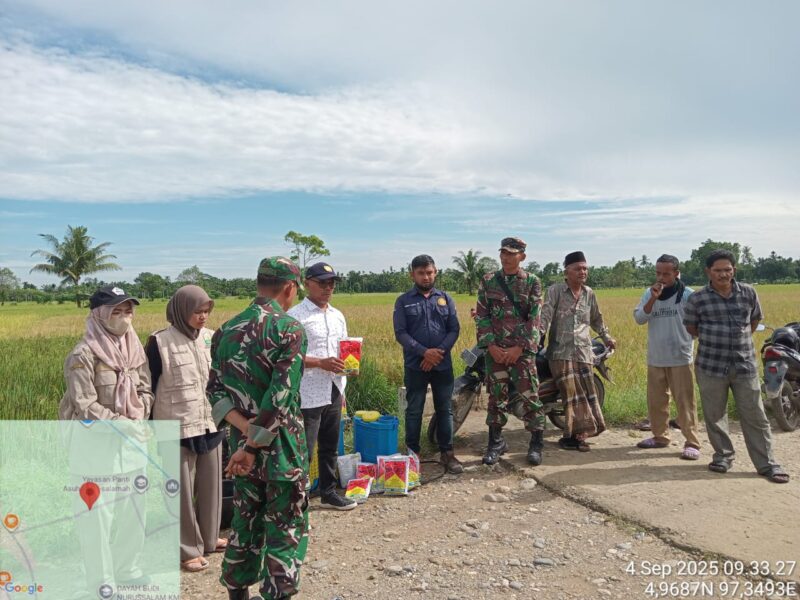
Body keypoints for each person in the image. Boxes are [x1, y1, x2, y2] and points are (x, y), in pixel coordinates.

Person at [207, 257, 309, 600]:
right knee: (285, 526)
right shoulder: (289, 329)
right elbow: (281, 396)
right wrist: (253, 446)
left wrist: (244, 431)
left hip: (240, 449)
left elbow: (215, 391)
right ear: (289, 287)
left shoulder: (225, 330)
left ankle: (237, 592)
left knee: (245, 520)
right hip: (281, 451)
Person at [59, 285, 153, 595]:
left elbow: (145, 388)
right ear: (99, 315)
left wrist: (140, 413)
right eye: (116, 311)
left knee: (132, 514)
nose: (124, 318)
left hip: (132, 448)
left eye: (128, 311)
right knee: (96, 520)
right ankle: (102, 582)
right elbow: (84, 404)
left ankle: (127, 568)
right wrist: (122, 424)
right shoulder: (83, 354)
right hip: (96, 451)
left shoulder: (134, 349)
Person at [683, 249, 789, 483]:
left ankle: (767, 464)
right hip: (711, 365)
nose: (723, 274)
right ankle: (723, 456)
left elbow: (755, 320)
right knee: (714, 415)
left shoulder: (748, 292)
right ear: (708, 272)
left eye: (728, 270)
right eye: (718, 270)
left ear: (734, 270)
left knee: (755, 416)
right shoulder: (698, 299)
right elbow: (691, 328)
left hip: (744, 365)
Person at [146, 285, 226, 572]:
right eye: (197, 311)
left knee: (211, 485)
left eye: (206, 311)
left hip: (209, 420)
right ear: (181, 311)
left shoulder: (211, 338)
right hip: (176, 424)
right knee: (178, 491)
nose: (203, 317)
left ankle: (209, 538)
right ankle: (187, 549)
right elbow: (148, 385)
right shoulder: (159, 342)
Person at [287, 262, 357, 509]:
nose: (328, 288)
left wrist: (349, 366)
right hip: (307, 392)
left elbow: (344, 349)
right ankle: (297, 500)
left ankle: (328, 492)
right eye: (322, 283)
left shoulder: (337, 315)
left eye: (332, 283)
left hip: (334, 388)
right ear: (307, 284)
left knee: (330, 445)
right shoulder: (296, 316)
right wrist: (319, 363)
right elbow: (288, 356)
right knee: (303, 449)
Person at [475, 238, 546, 466]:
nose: (505, 257)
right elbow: (482, 315)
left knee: (530, 396)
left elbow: (535, 318)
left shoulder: (532, 282)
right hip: (495, 351)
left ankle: (536, 444)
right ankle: (495, 443)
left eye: (511, 253)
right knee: (496, 397)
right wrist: (491, 346)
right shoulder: (488, 281)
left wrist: (519, 348)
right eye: (503, 253)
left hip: (521, 352)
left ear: (522, 256)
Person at [540, 251, 616, 452]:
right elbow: (545, 316)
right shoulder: (555, 291)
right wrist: (536, 336)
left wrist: (607, 337)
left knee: (587, 393)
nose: (582, 272)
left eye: (585, 268)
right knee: (571, 393)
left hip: (584, 350)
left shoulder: (589, 293)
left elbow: (596, 319)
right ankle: (573, 436)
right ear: (566, 272)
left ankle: (581, 434)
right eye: (577, 269)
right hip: (560, 351)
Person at [393, 254, 463, 473]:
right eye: (421, 273)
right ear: (412, 274)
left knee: (445, 409)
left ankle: (447, 453)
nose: (426, 277)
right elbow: (401, 333)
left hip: (442, 365)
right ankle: (413, 455)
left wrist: (437, 354)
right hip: (416, 365)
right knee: (414, 410)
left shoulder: (445, 298)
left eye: (430, 272)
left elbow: (454, 329)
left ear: (436, 272)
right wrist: (424, 353)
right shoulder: (403, 301)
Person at [633, 255, 701, 460]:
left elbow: (698, 324)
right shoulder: (649, 293)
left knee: (685, 402)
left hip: (680, 357)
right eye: (658, 273)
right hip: (656, 356)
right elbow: (639, 318)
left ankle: (692, 442)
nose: (661, 278)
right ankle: (660, 437)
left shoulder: (688, 295)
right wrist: (653, 299)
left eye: (666, 274)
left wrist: (688, 341)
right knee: (657, 401)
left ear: (676, 273)